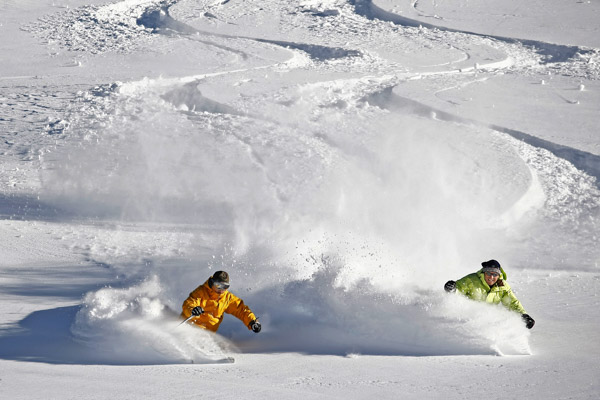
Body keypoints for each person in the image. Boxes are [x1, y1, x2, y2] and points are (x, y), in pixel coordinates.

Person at [444, 259, 535, 329]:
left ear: (499, 276)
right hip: (466, 319)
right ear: (484, 273)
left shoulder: (503, 286)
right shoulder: (471, 280)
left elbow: (512, 302)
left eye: (495, 274)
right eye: (488, 273)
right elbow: (459, 289)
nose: (491, 277)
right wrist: (452, 289)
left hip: (487, 321)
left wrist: (523, 315)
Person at [181, 270, 261, 333]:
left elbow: (241, 310)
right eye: (218, 285)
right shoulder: (201, 292)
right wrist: (193, 310)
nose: (221, 289)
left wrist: (252, 322)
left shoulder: (227, 298)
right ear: (212, 283)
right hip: (190, 327)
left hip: (206, 335)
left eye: (225, 286)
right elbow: (189, 303)